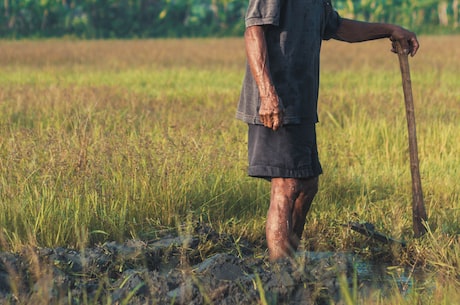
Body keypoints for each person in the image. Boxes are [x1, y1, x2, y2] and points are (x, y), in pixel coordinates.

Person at [236, 0, 419, 261]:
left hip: (301, 103)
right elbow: (254, 31)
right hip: (274, 102)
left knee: (307, 184)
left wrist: (390, 29)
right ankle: (279, 276)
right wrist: (267, 95)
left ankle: (288, 261)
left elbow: (339, 27)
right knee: (286, 185)